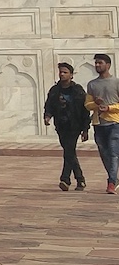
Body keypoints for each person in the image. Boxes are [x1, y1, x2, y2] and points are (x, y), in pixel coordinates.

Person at [43, 60, 91, 189]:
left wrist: (85, 129)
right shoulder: (54, 90)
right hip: (61, 126)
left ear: (71, 75)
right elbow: (49, 106)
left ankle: (67, 179)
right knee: (69, 152)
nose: (62, 74)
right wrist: (47, 117)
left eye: (65, 72)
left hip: (74, 126)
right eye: (61, 72)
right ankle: (78, 180)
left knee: (69, 151)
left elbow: (84, 110)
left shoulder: (77, 90)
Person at [85, 53, 119, 194]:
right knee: (104, 153)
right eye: (96, 63)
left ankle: (111, 181)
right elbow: (87, 104)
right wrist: (96, 104)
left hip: (114, 122)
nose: (97, 65)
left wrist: (109, 108)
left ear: (108, 65)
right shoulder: (92, 84)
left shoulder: (116, 82)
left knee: (113, 152)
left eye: (100, 63)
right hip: (99, 123)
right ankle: (114, 178)